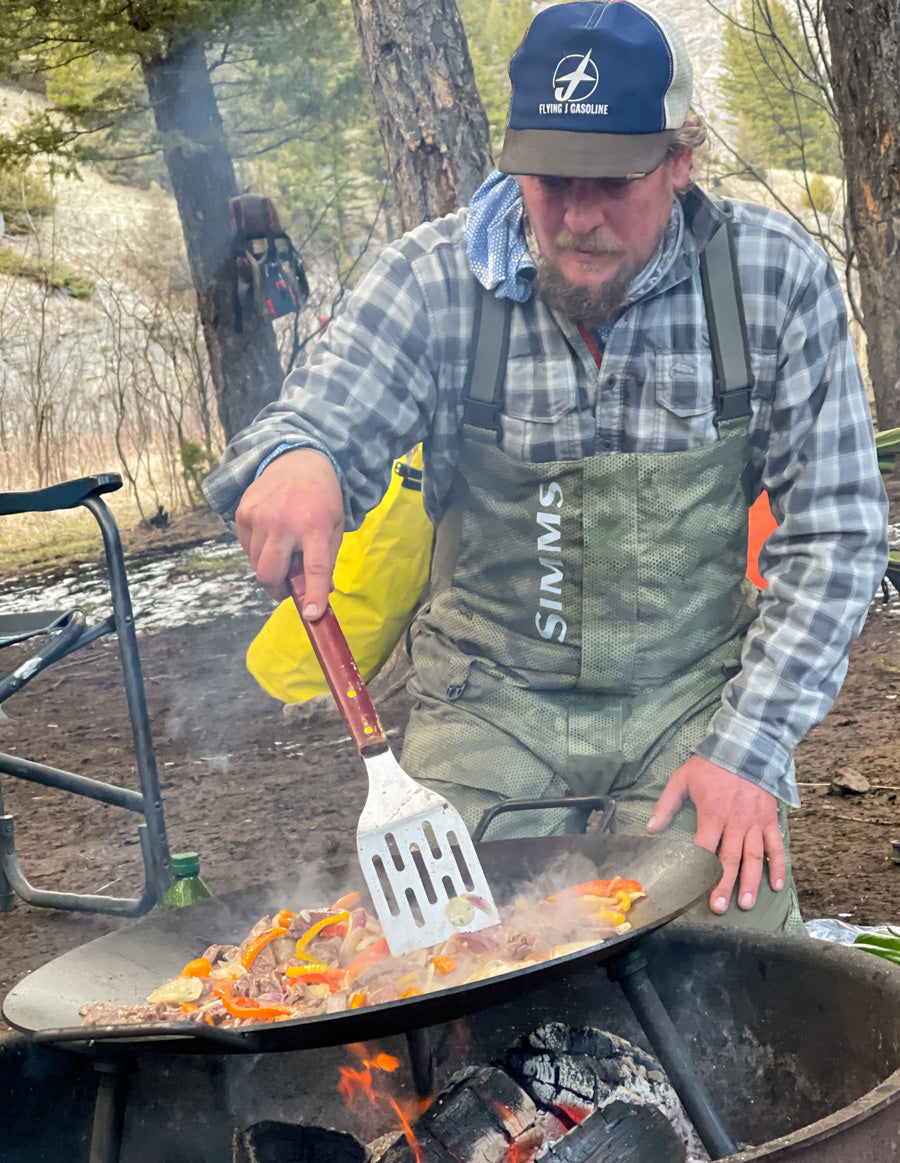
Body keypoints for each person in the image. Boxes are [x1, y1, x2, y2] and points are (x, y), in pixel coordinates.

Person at [203, 0, 888, 933]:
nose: (578, 218)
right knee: (450, 983)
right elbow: (312, 417)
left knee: (730, 970)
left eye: (613, 182)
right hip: (487, 708)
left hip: (694, 705)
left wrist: (752, 744)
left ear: (680, 161)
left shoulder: (771, 281)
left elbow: (838, 533)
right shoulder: (433, 280)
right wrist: (298, 459)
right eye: (551, 180)